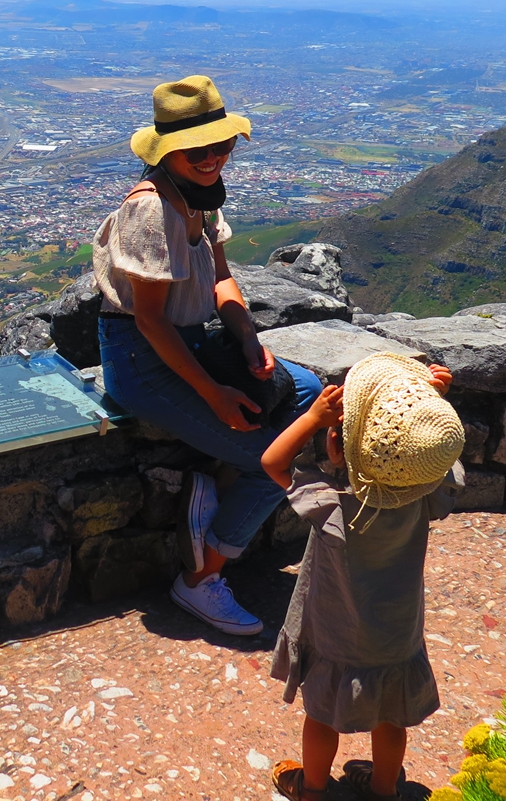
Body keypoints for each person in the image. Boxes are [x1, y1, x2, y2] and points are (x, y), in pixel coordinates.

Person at [93, 75, 323, 635]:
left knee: (310, 390)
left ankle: (211, 497)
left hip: (194, 341)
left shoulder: (200, 198)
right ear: (168, 150)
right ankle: (200, 576)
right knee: (273, 460)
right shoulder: (152, 211)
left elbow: (222, 281)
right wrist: (213, 392)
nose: (213, 157)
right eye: (199, 148)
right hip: (144, 359)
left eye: (222, 145)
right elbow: (148, 319)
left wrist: (248, 340)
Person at [263, 353, 466, 801]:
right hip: (396, 634)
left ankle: (313, 788)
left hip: (335, 634)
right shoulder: (424, 494)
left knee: (320, 714)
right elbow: (432, 457)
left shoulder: (331, 502)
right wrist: (427, 404)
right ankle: (383, 789)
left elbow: (273, 462)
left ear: (340, 445)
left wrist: (313, 418)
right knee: (391, 717)